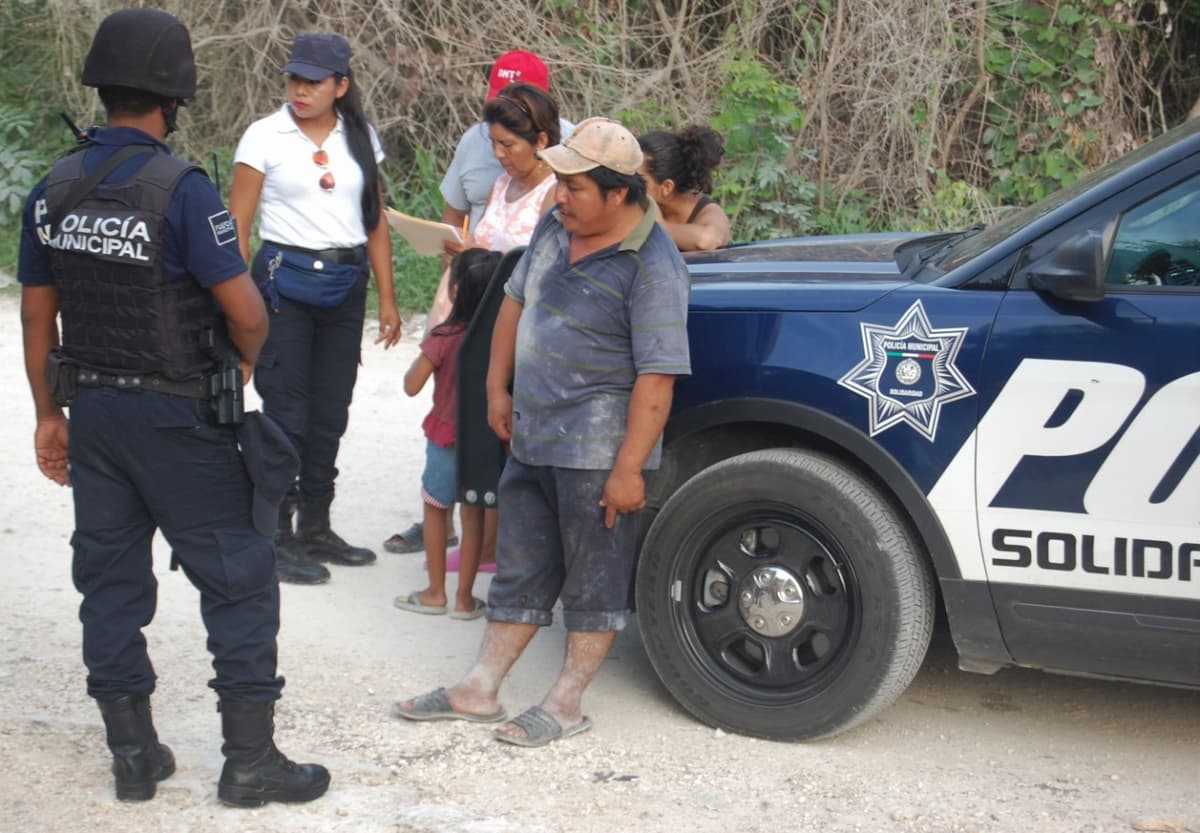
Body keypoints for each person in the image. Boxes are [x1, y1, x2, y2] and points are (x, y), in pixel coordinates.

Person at [18, 8, 328, 805]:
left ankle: (132, 755)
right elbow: (246, 312)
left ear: (102, 88)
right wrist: (242, 362)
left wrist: (49, 415)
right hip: (179, 416)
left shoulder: (53, 188)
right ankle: (249, 761)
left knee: (110, 584)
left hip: (95, 416)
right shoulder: (182, 190)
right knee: (240, 578)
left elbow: (37, 317)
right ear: (173, 97)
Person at [392, 118, 692, 747]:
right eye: (559, 183)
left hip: (598, 450)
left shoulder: (654, 265)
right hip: (532, 433)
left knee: (594, 576)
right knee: (520, 565)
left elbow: (657, 378)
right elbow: (514, 301)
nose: (559, 196)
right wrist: (496, 389)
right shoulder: (558, 226)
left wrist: (629, 469)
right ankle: (479, 689)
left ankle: (566, 703)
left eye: (574, 187)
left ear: (618, 193)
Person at [383, 49, 572, 557]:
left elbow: (541, 266)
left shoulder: (557, 193)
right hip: (468, 322)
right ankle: (454, 523)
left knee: (502, 434)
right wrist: (461, 251)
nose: (500, 155)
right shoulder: (503, 181)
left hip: (512, 333)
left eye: (508, 145)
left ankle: (495, 545)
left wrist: (482, 258)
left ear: (541, 140)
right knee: (454, 422)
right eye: (494, 144)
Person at [229, 33, 401, 585]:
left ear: (341, 85)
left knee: (331, 409)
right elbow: (237, 225)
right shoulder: (264, 136)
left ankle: (316, 526)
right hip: (284, 286)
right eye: (293, 79)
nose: (299, 90)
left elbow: (375, 219)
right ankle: (275, 534)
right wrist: (235, 306)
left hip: (345, 285)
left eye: (313, 81)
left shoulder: (360, 136)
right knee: (287, 411)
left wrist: (388, 297)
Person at [393, 248, 502, 619]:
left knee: (436, 509)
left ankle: (435, 592)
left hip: (444, 437)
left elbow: (411, 386)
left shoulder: (444, 336)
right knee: (473, 515)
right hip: (483, 442)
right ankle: (465, 600)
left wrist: (428, 350)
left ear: (454, 290)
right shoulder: (500, 342)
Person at [637, 125, 731, 251]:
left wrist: (659, 226)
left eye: (638, 179)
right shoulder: (638, 206)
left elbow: (707, 241)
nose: (629, 184)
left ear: (667, 187)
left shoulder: (707, 212)